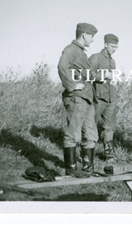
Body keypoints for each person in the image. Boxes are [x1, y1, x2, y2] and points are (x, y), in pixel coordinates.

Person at [57, 22, 99, 178]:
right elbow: (62, 67)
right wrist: (72, 85)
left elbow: (87, 75)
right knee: (73, 133)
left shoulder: (82, 53)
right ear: (84, 35)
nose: (93, 40)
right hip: (77, 98)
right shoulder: (71, 50)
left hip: (87, 98)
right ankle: (71, 168)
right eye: (92, 37)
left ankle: (88, 168)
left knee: (91, 134)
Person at [89, 34, 119, 162]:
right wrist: (103, 75)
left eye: (116, 47)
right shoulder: (95, 58)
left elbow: (111, 78)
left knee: (109, 127)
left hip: (110, 97)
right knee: (91, 125)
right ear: (105, 44)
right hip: (98, 97)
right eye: (112, 46)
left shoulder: (112, 61)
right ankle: (85, 153)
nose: (114, 49)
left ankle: (109, 155)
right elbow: (87, 74)